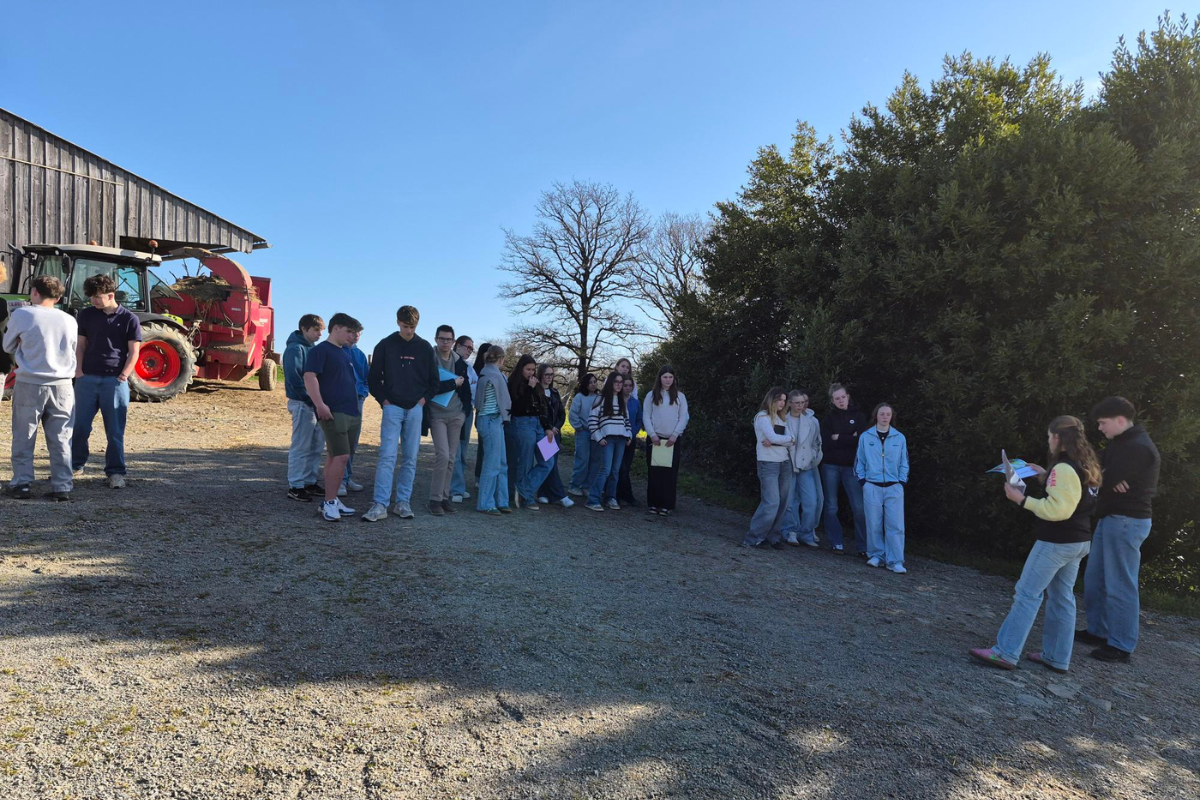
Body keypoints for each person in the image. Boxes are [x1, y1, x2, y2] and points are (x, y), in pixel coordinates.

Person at [970, 415, 1101, 673]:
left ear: (1058, 437)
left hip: (1056, 542)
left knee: (1027, 594)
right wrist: (1045, 474)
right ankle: (1056, 657)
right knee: (1062, 597)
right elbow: (1075, 496)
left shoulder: (1064, 468)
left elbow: (1059, 510)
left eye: (1049, 436)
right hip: (1078, 540)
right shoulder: (1086, 463)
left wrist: (1021, 500)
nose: (1048, 441)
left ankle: (1005, 652)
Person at [1077, 397, 1161, 664]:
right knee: (1096, 578)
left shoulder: (1138, 447)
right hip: (1112, 517)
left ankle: (1121, 645)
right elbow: (1098, 470)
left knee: (1120, 584)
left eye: (1103, 423)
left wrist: (1107, 477)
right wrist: (1107, 477)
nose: (1100, 428)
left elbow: (1102, 477)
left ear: (1120, 420)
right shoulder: (1121, 442)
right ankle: (1099, 631)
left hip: (1127, 521)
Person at [363, 305, 439, 522]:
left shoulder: (425, 347)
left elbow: (434, 381)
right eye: (406, 326)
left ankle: (403, 502)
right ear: (398, 322)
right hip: (392, 407)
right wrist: (384, 401)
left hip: (415, 408)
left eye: (413, 327)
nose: (409, 331)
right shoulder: (385, 345)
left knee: (410, 458)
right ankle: (380, 504)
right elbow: (373, 378)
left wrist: (422, 401)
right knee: (387, 456)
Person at [4, 276, 77, 500]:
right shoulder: (69, 320)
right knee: (61, 437)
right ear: (58, 297)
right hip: (63, 384)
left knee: (24, 435)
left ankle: (22, 483)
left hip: (30, 382)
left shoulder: (23, 314)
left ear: (35, 291)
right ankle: (62, 485)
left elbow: (7, 345)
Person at [71, 273, 143, 488]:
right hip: (86, 379)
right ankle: (74, 466)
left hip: (114, 381)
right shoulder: (86, 315)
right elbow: (80, 345)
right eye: (91, 296)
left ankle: (116, 472)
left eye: (97, 297)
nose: (93, 300)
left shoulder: (130, 319)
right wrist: (78, 371)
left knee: (115, 431)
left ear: (111, 295)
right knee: (79, 427)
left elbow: (134, 352)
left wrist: (124, 375)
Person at [302, 313, 363, 522]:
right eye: (349, 331)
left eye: (354, 333)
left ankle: (332, 499)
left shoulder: (344, 353)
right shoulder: (320, 351)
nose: (352, 336)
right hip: (334, 411)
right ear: (336, 328)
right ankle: (329, 503)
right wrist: (320, 404)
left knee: (335, 456)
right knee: (341, 457)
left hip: (351, 411)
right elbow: (309, 377)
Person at [855, 402, 910, 572]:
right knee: (873, 523)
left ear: (892, 417)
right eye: (882, 414)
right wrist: (863, 482)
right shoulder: (866, 437)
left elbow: (904, 462)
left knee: (896, 525)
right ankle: (876, 555)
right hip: (872, 486)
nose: (885, 417)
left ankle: (895, 561)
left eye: (888, 414)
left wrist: (901, 482)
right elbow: (859, 461)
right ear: (876, 416)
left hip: (894, 487)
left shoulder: (899, 437)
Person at [742, 387, 796, 548]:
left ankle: (773, 537)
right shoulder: (762, 417)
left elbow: (793, 439)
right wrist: (783, 439)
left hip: (785, 463)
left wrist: (778, 440)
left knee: (783, 502)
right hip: (768, 463)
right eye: (779, 399)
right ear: (771, 399)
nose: (782, 403)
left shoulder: (782, 418)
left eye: (784, 400)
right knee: (771, 502)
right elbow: (776, 437)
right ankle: (754, 538)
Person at [424, 324, 469, 516]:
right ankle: (434, 500)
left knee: (451, 458)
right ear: (436, 339)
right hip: (436, 415)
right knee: (442, 455)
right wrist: (452, 383)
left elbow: (466, 389)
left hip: (456, 414)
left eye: (448, 339)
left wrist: (464, 413)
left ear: (453, 341)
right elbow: (429, 387)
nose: (445, 342)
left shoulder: (459, 362)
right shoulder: (429, 358)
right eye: (442, 338)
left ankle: (444, 498)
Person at [820, 383, 869, 555]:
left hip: (851, 467)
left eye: (843, 397)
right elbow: (826, 443)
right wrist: (849, 437)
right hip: (830, 465)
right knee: (831, 506)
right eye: (837, 398)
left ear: (848, 396)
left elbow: (861, 441)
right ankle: (836, 543)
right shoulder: (828, 419)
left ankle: (863, 547)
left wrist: (838, 437)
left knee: (859, 508)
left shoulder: (860, 417)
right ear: (832, 401)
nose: (841, 401)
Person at [284, 314, 326, 501]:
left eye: (321, 331)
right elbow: (294, 378)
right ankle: (295, 485)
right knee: (301, 445)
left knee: (316, 445)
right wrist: (311, 398)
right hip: (303, 403)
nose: (319, 334)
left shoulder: (313, 349)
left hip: (315, 404)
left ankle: (309, 481)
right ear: (304, 328)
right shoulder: (295, 349)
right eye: (316, 330)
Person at [505, 354, 556, 510]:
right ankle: (526, 499)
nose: (531, 373)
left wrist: (548, 427)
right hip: (522, 423)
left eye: (533, 370)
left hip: (540, 424)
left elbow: (543, 407)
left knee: (549, 461)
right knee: (525, 461)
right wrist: (529, 388)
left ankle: (522, 490)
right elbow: (517, 408)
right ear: (521, 369)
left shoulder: (537, 384)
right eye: (528, 369)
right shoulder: (513, 383)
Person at [642, 365, 689, 516]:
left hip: (672, 441)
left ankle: (666, 505)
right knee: (654, 472)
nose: (668, 380)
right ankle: (653, 503)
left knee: (670, 473)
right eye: (665, 377)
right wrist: (652, 434)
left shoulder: (680, 397)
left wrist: (675, 435)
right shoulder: (651, 395)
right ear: (660, 378)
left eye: (670, 377)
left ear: (674, 379)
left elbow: (683, 417)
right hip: (655, 439)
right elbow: (646, 416)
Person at [781, 389, 823, 546]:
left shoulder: (812, 421)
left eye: (802, 402)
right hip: (788, 465)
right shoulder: (783, 420)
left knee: (811, 502)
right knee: (790, 501)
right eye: (797, 403)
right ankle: (790, 530)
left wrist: (814, 457)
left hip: (807, 466)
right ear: (790, 403)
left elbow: (817, 443)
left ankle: (806, 532)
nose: (800, 406)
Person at [474, 345, 512, 515]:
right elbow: (504, 401)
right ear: (501, 359)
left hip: (491, 420)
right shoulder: (495, 375)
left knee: (501, 463)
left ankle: (501, 501)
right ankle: (485, 503)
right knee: (492, 464)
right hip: (491, 420)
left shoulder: (485, 372)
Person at [585, 372, 631, 511]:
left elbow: (627, 421)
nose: (619, 384)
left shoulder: (622, 400)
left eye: (621, 382)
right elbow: (592, 420)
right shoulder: (601, 398)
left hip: (621, 440)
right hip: (607, 439)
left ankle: (610, 497)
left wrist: (629, 435)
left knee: (615, 471)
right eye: (616, 381)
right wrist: (599, 437)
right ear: (610, 382)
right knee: (605, 469)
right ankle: (592, 499)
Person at [535, 363, 574, 508]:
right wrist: (549, 427)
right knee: (549, 464)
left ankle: (543, 493)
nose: (549, 377)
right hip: (544, 432)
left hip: (555, 433)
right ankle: (561, 495)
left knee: (551, 464)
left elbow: (561, 414)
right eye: (547, 374)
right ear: (540, 375)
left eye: (552, 374)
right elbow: (539, 413)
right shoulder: (536, 392)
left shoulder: (555, 392)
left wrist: (556, 427)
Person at [339, 325, 370, 497]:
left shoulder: (360, 355)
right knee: (340, 441)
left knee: (352, 442)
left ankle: (347, 478)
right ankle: (339, 480)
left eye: (359, 332)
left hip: (357, 400)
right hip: (341, 401)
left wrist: (363, 394)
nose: (356, 335)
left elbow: (366, 377)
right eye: (353, 332)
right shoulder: (338, 351)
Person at [449, 335, 477, 503]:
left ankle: (458, 486)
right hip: (455, 410)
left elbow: (475, 388)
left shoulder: (469, 367)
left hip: (468, 410)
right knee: (456, 451)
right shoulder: (451, 363)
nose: (470, 351)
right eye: (468, 347)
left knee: (463, 451)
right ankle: (456, 489)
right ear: (458, 345)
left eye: (472, 349)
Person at [567, 373, 598, 497]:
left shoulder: (599, 397)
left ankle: (587, 486)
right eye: (590, 382)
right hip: (583, 432)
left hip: (596, 433)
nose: (593, 384)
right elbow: (573, 414)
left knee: (595, 460)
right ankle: (574, 485)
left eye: (595, 381)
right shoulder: (580, 397)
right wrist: (579, 427)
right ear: (585, 384)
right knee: (582, 459)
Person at [615, 375, 642, 506]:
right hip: (617, 438)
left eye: (630, 385)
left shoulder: (635, 402)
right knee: (619, 468)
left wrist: (632, 434)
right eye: (625, 385)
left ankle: (623, 495)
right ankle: (621, 495)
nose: (627, 388)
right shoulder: (615, 400)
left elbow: (639, 420)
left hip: (631, 439)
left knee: (626, 468)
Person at [471, 343, 492, 483]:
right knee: (483, 447)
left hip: (550, 432)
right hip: (483, 413)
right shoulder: (476, 371)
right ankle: (479, 477)